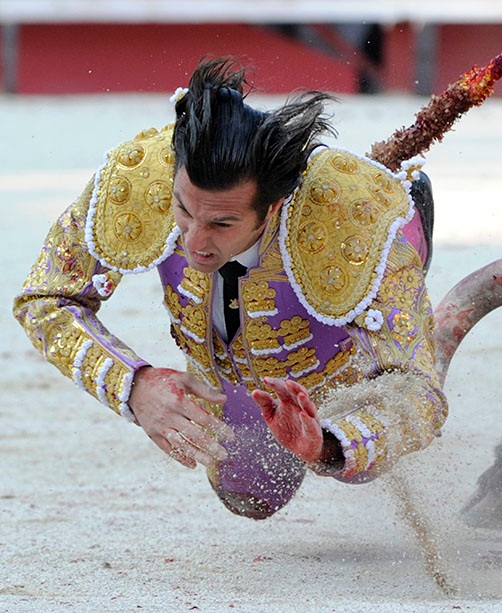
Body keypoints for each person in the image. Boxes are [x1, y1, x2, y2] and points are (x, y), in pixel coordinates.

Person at [13, 57, 445, 519]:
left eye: (221, 222)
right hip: (231, 376)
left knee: (360, 466)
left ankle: (420, 240)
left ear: (273, 206)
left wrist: (330, 446)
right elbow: (44, 299)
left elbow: (419, 393)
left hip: (341, 366)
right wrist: (135, 385)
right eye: (183, 208)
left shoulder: (362, 228)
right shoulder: (139, 178)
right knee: (250, 496)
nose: (194, 241)